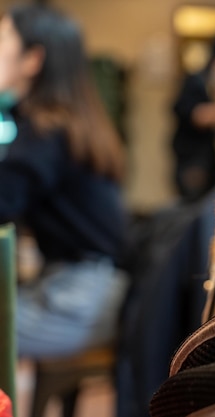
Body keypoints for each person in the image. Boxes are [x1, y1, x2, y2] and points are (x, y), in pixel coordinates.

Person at [0, 5, 129, 358]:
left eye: (3, 37)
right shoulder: (66, 122)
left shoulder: (45, 131)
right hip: (94, 289)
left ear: (32, 60)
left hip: (79, 298)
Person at [171, 33, 215, 202]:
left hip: (209, 159)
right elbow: (197, 116)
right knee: (192, 206)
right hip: (193, 158)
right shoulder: (196, 82)